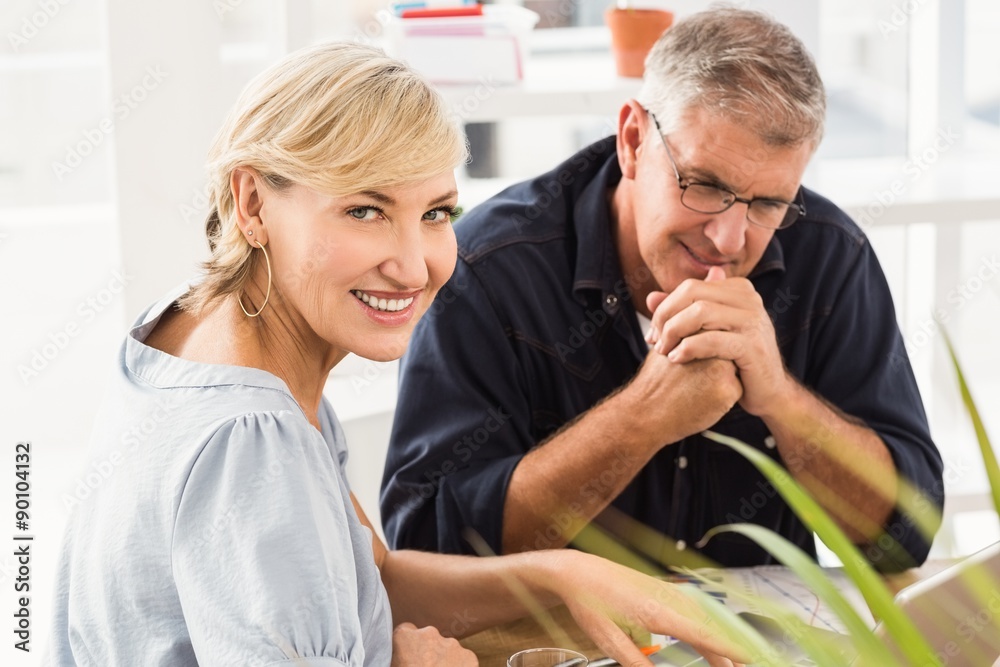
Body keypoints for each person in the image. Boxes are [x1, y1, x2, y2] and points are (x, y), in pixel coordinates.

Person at [44, 42, 752, 667]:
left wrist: (564, 573)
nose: (413, 267)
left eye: (436, 213)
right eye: (364, 210)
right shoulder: (252, 441)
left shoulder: (194, 327)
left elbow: (369, 574)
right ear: (253, 202)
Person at [380, 8, 944, 573]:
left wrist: (780, 399)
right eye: (704, 184)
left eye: (768, 203)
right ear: (631, 139)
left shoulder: (829, 256)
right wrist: (642, 416)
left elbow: (907, 533)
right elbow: (430, 549)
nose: (729, 238)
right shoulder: (486, 270)